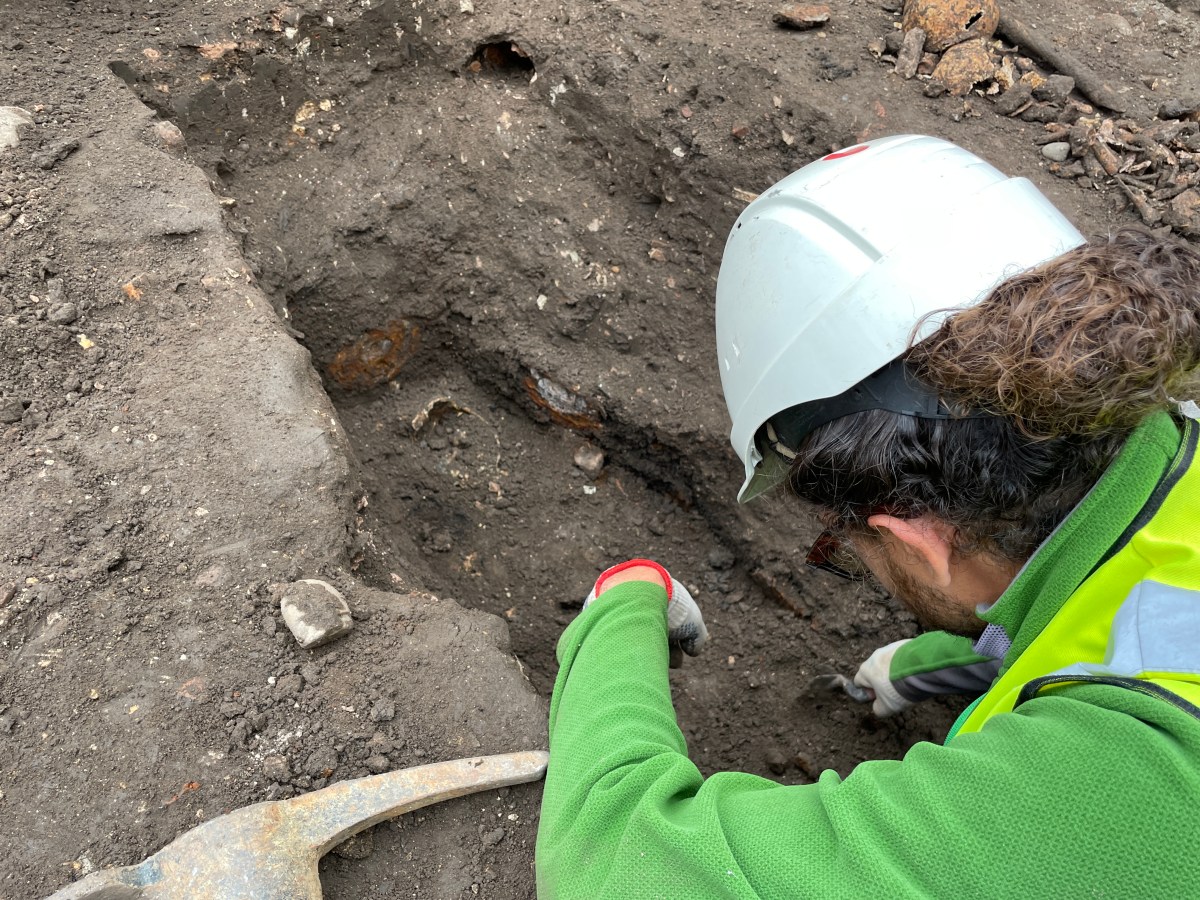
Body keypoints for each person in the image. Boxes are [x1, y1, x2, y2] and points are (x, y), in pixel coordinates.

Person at [534, 134, 1200, 897]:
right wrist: (916, 670)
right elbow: (1105, 607)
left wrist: (624, 599)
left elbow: (611, 860)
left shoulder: (1112, 784)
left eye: (841, 547)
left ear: (909, 533)